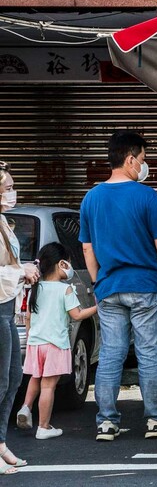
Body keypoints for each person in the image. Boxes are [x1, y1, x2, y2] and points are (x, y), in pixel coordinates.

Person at [79, 131, 157, 442]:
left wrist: (99, 282)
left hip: (110, 287)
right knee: (150, 354)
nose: (144, 165)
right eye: (143, 159)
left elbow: (87, 248)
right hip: (146, 285)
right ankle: (155, 420)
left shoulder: (91, 197)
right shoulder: (146, 196)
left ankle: (107, 423)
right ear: (130, 159)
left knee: (111, 353)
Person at [17, 243, 97, 440]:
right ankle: (43, 427)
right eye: (68, 264)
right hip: (55, 344)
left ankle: (26, 408)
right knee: (48, 386)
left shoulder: (36, 287)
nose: (69, 268)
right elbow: (77, 315)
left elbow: (28, 317)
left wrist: (30, 338)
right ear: (61, 263)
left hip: (35, 343)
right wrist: (98, 308)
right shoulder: (65, 290)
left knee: (35, 378)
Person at [0, 161, 39, 474]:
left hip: (6, 307)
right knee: (2, 379)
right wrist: (19, 271)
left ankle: (0, 443)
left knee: (13, 377)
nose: (12, 192)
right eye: (8, 187)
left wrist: (23, 272)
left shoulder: (3, 221)